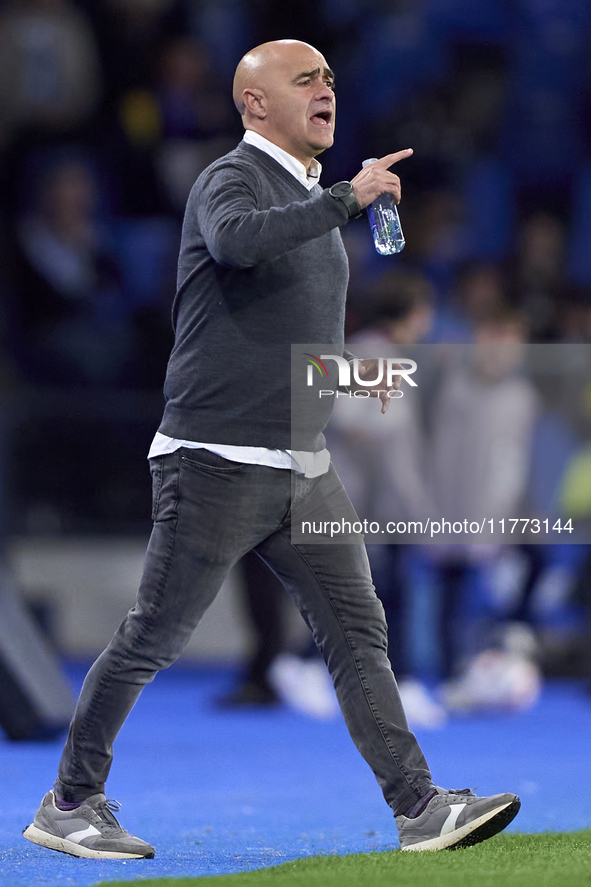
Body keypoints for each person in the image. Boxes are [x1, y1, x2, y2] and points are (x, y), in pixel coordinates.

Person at [23, 39, 520, 859]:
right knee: (152, 636)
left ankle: (419, 806)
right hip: (213, 458)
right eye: (305, 78)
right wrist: (343, 201)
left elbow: (284, 345)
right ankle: (70, 800)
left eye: (329, 76)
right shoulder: (232, 180)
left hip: (300, 463)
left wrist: (355, 379)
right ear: (254, 104)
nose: (327, 87)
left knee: (359, 633)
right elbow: (235, 244)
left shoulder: (316, 202)